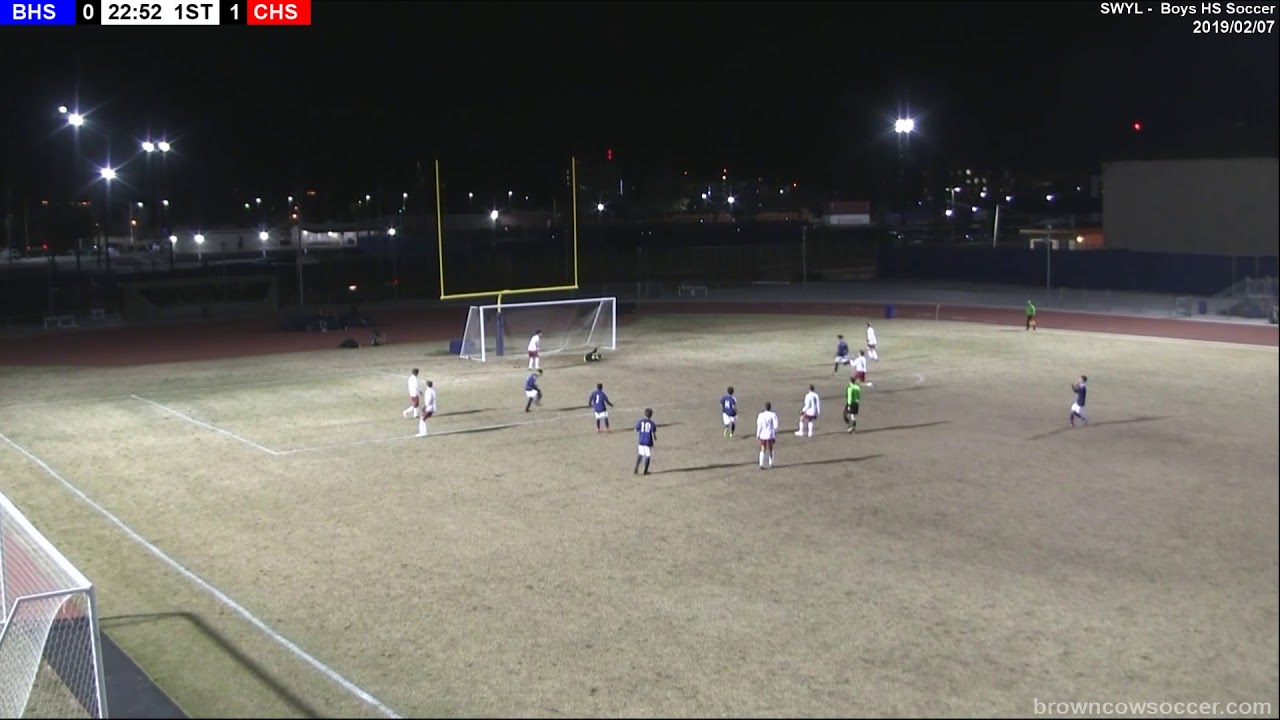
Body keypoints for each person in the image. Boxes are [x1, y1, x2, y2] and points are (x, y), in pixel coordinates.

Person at [756, 401, 779, 469]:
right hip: (770, 434)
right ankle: (771, 463)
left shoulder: (761, 415)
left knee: (763, 448)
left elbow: (759, 425)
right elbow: (776, 425)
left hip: (763, 434)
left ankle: (761, 464)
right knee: (771, 448)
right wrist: (775, 432)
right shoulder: (773, 415)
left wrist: (758, 434)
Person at [634, 408, 656, 475]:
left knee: (640, 454)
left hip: (641, 440)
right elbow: (653, 433)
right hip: (648, 441)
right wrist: (655, 438)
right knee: (648, 456)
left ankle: (636, 468)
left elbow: (636, 430)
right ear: (651, 415)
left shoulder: (640, 421)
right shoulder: (652, 423)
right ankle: (645, 471)